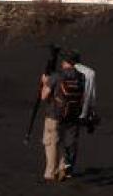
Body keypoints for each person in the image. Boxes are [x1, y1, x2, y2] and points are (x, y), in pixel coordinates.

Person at [39, 50, 97, 182]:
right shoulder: (81, 77)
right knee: (68, 143)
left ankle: (50, 173)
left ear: (65, 62)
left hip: (54, 115)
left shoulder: (56, 76)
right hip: (73, 115)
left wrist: (44, 82)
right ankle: (63, 169)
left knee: (51, 143)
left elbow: (44, 96)